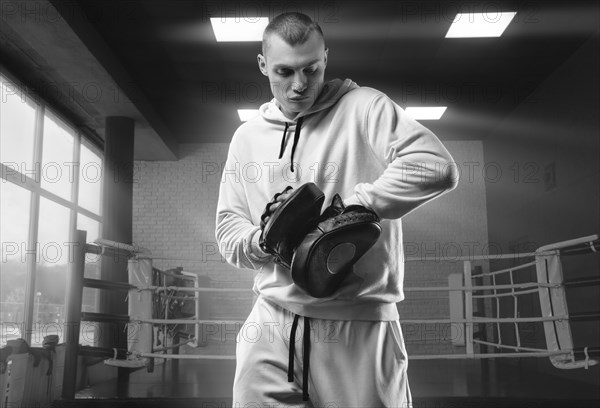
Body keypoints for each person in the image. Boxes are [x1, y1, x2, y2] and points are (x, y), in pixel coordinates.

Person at [216, 11, 458, 408]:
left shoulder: (364, 107)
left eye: (311, 69)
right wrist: (265, 240)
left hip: (357, 322)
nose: (299, 85)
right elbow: (228, 230)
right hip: (271, 321)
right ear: (263, 65)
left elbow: (437, 167)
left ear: (325, 58)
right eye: (284, 71)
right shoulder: (246, 137)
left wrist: (358, 206)